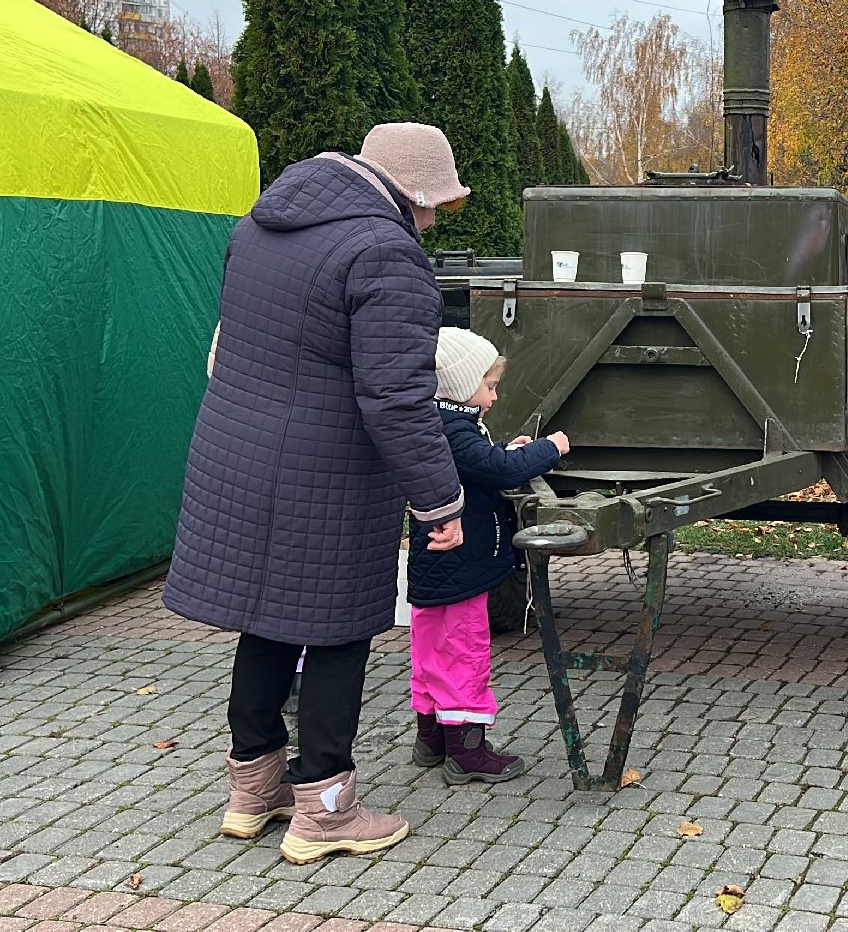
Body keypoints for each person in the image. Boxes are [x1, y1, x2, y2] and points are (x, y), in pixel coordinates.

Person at [166, 122, 472, 865]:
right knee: (338, 629)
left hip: (234, 452)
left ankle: (253, 791)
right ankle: (327, 809)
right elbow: (398, 397)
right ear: (411, 190)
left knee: (264, 620)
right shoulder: (385, 250)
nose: (430, 222)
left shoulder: (259, 227)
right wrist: (441, 500)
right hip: (324, 471)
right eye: (432, 204)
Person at [408, 327, 568, 785]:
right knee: (464, 652)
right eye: (489, 386)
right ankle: (468, 752)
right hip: (462, 565)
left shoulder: (431, 421)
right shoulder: (454, 426)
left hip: (432, 565)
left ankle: (431, 738)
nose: (494, 397)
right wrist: (548, 449)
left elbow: (483, 460)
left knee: (430, 651)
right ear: (459, 386)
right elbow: (496, 469)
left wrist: (505, 448)